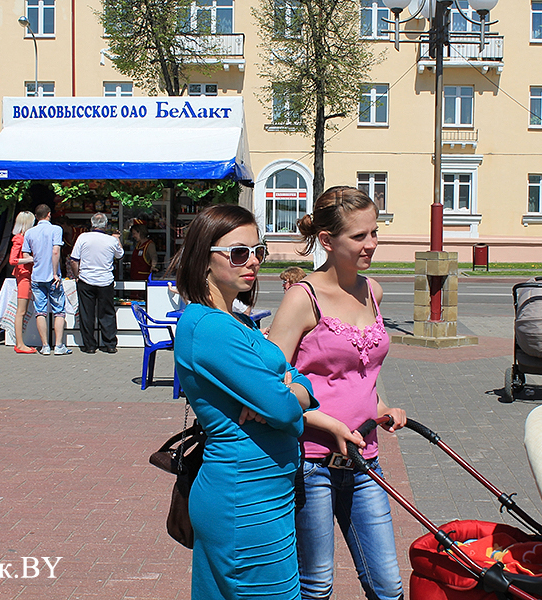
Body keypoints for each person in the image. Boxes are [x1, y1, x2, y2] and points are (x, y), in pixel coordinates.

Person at [268, 186, 406, 600]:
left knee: (388, 585)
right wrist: (325, 422)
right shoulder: (302, 298)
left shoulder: (373, 292)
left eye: (374, 233)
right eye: (359, 236)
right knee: (316, 584)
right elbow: (271, 386)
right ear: (327, 241)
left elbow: (361, 375)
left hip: (365, 460)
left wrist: (382, 406)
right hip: (312, 464)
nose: (371, 244)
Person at [172, 204, 316, 600]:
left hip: (265, 493)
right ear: (204, 258)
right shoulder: (209, 326)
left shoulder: (237, 321)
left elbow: (295, 384)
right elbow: (285, 409)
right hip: (245, 498)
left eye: (258, 251)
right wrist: (288, 400)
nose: (252, 261)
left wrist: (291, 393)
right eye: (238, 253)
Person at [68, 213, 124, 354]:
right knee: (107, 313)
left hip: (86, 279)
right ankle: (110, 344)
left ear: (92, 224)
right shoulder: (111, 240)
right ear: (105, 225)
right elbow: (120, 255)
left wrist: (77, 275)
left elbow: (74, 260)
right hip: (105, 280)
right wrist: (117, 239)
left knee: (87, 313)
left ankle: (90, 345)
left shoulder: (83, 238)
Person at [22, 204, 71, 356]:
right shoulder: (56, 230)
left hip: (37, 276)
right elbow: (55, 251)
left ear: (36, 217)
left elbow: (25, 256)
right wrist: (55, 272)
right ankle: (59, 345)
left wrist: (37, 259)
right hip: (52, 276)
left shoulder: (29, 233)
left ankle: (44, 346)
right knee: (59, 312)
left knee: (40, 312)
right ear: (49, 214)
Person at [10, 211, 36, 354]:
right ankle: (19, 344)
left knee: (23, 311)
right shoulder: (19, 239)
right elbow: (12, 260)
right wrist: (30, 259)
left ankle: (20, 343)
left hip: (27, 275)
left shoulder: (24, 238)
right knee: (21, 311)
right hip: (24, 276)